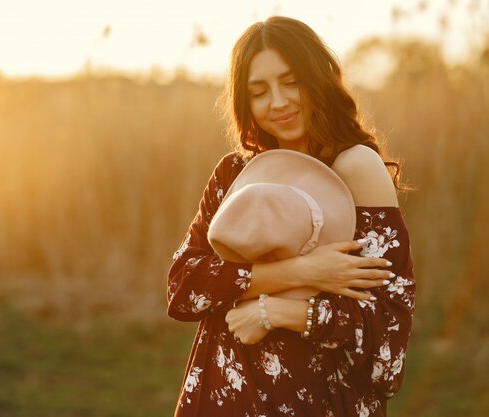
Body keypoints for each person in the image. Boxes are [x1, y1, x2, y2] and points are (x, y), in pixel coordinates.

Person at [166, 16, 415, 417]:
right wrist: (303, 272)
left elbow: (386, 336)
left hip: (316, 400)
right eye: (259, 91)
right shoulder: (235, 173)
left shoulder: (356, 169)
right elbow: (184, 287)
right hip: (226, 393)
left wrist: (279, 312)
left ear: (318, 78)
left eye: (291, 81)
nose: (278, 102)